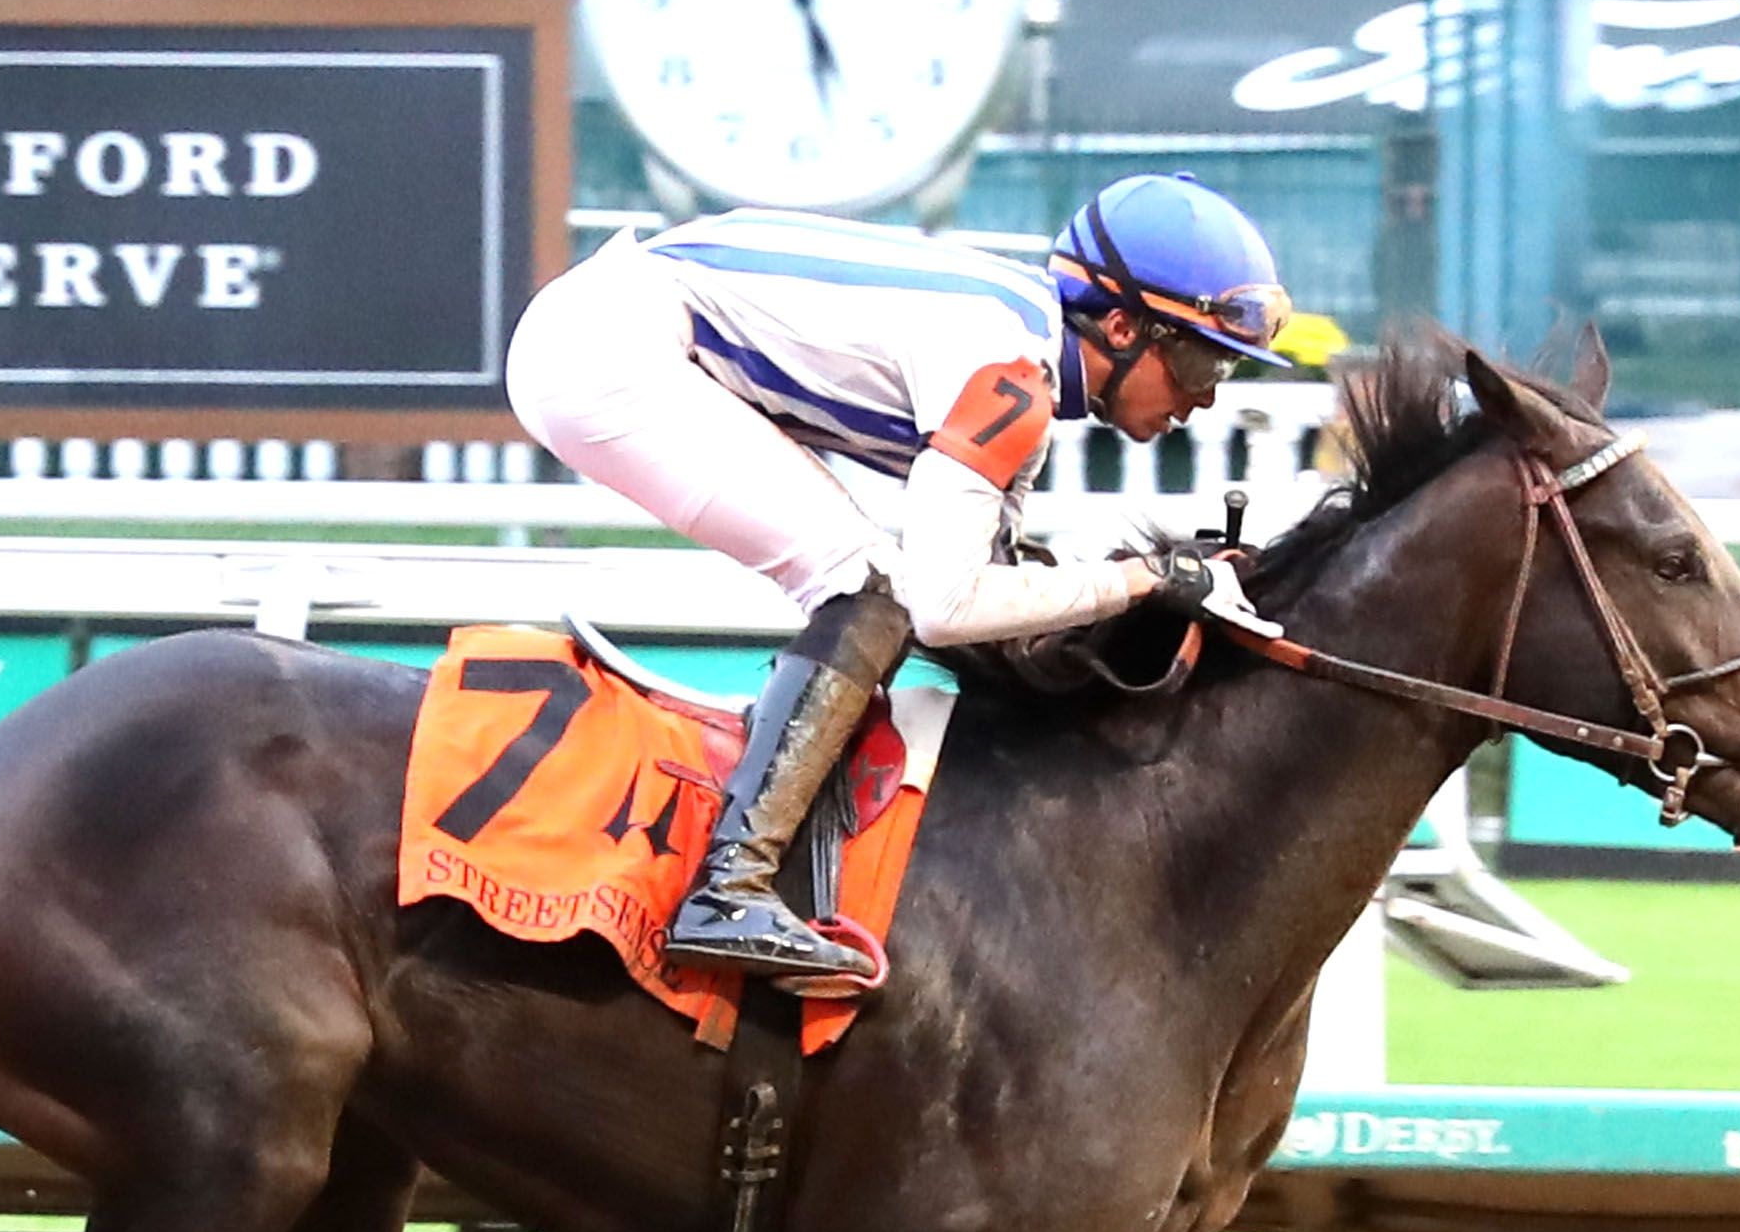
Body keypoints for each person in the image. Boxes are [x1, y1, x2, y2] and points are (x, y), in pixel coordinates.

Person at [504, 173, 1294, 980]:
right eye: (1199, 360)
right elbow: (943, 608)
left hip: (617, 323)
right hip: (607, 349)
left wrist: (1160, 592)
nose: (1203, 398)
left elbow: (993, 591)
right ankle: (728, 887)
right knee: (867, 587)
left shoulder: (1020, 359)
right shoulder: (1010, 378)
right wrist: (1142, 581)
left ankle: (740, 878)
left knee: (875, 583)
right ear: (1122, 325)